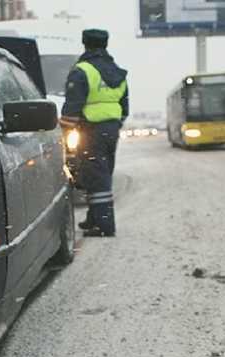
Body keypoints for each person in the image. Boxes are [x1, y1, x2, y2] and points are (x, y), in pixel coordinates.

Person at [61, 29, 129, 237]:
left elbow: (73, 107)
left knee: (95, 176)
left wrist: (63, 129)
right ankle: (93, 218)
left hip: (90, 130)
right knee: (101, 172)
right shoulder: (117, 72)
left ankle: (104, 225)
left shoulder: (82, 70)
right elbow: (124, 107)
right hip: (111, 129)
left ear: (85, 43)